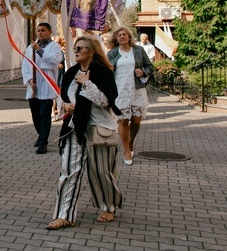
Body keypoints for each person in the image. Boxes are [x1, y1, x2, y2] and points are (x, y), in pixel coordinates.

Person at [47, 35, 122, 230]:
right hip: (75, 128)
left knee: (101, 172)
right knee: (69, 172)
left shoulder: (103, 72)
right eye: (75, 47)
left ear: (92, 51)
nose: (76, 51)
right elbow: (62, 96)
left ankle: (108, 207)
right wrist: (65, 105)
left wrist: (87, 83)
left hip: (98, 128)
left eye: (81, 48)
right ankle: (65, 215)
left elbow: (106, 101)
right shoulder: (71, 72)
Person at [107, 27, 153, 165]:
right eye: (119, 35)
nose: (122, 37)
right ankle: (126, 150)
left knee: (136, 120)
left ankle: (130, 142)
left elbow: (150, 66)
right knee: (123, 120)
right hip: (120, 90)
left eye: (124, 34)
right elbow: (107, 71)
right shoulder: (112, 53)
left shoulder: (138, 50)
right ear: (116, 38)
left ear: (129, 37)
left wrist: (143, 72)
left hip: (137, 90)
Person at [21, 23, 61, 153]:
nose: (40, 33)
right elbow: (25, 65)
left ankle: (44, 141)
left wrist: (39, 50)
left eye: (43, 30)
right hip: (34, 86)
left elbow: (54, 61)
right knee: (35, 114)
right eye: (38, 30)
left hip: (46, 85)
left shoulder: (54, 46)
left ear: (49, 32)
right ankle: (40, 134)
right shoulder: (30, 47)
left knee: (44, 114)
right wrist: (29, 79)